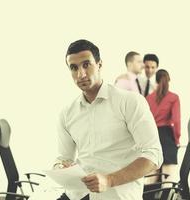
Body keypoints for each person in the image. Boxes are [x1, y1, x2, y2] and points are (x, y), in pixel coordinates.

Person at [54, 39, 163, 200]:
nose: (81, 74)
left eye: (86, 65)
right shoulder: (66, 113)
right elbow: (65, 158)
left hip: (116, 195)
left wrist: (109, 180)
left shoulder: (130, 102)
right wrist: (59, 166)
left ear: (99, 64)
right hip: (78, 195)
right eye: (74, 68)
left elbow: (154, 156)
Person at [146, 69, 181, 184]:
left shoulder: (148, 98)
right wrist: (177, 140)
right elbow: (176, 121)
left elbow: (145, 121)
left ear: (156, 81)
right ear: (169, 80)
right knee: (168, 179)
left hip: (152, 136)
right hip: (167, 136)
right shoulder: (174, 98)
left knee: (151, 177)